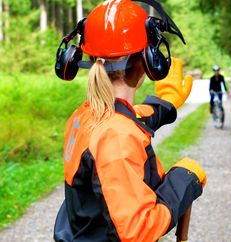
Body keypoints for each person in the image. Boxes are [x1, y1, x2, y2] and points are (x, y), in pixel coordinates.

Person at [53, 1, 206, 241]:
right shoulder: (117, 136)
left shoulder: (84, 115)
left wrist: (166, 103)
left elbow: (131, 117)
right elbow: (137, 231)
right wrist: (184, 180)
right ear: (147, 60)